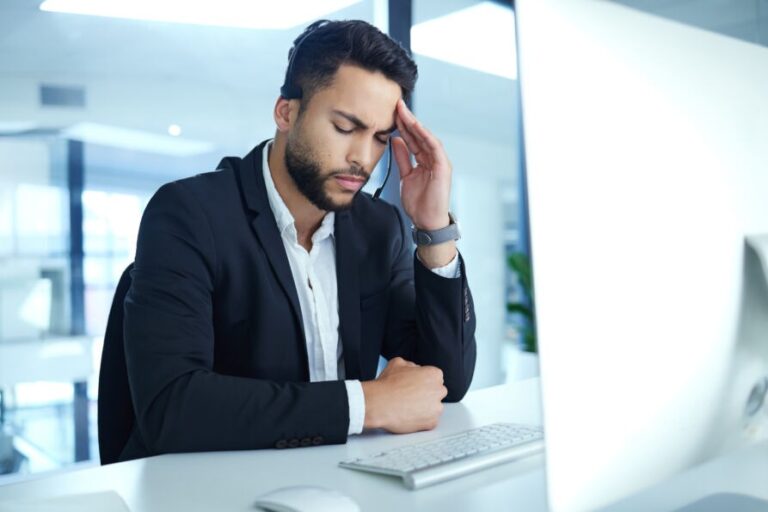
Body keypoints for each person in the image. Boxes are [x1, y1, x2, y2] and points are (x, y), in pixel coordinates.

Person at [120, 19, 476, 461]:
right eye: (345, 127)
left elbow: (445, 381)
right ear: (286, 112)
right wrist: (368, 403)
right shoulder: (189, 214)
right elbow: (171, 407)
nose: (362, 159)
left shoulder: (377, 228)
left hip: (338, 481)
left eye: (381, 138)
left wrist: (433, 227)